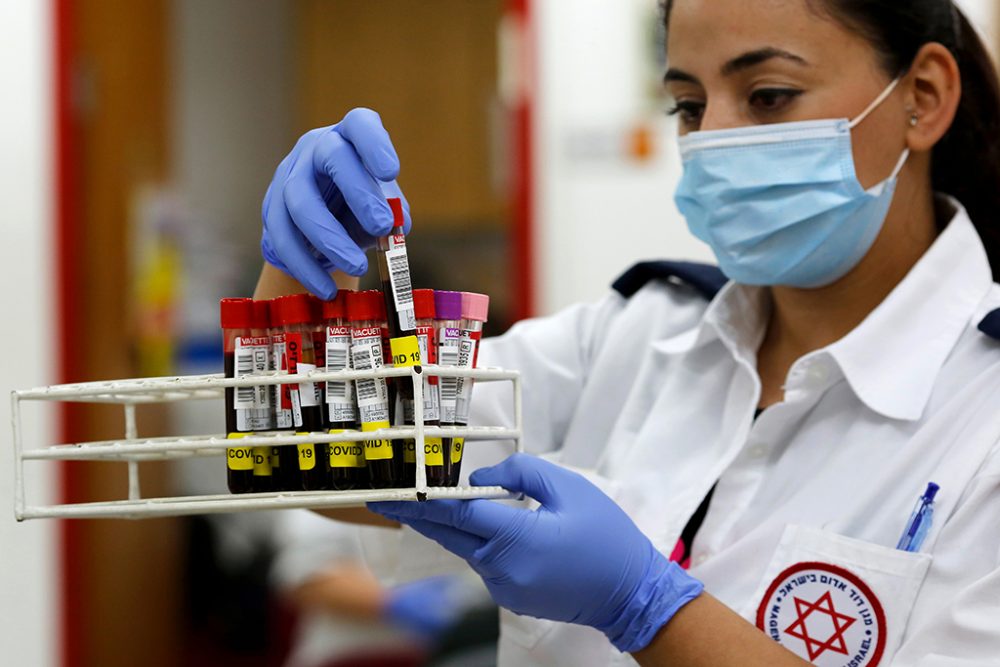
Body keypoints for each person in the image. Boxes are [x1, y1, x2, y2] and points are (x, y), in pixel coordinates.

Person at [253, 1, 1000, 665]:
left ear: (923, 96)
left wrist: (650, 610)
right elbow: (318, 458)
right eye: (688, 103)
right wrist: (310, 269)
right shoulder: (634, 334)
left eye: (768, 95)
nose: (715, 138)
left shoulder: (982, 412)